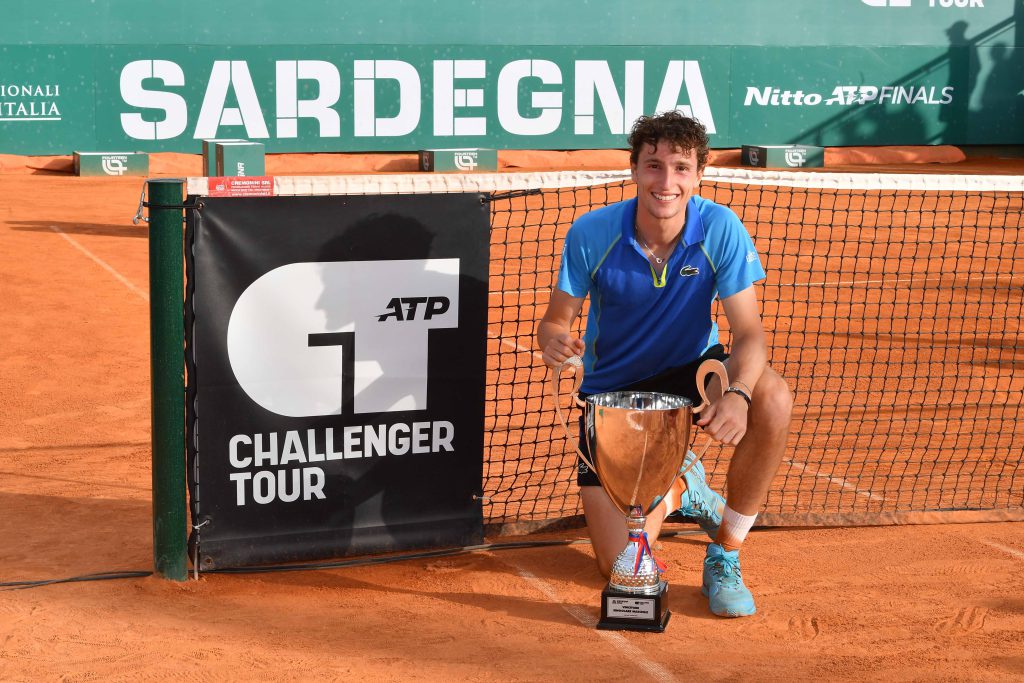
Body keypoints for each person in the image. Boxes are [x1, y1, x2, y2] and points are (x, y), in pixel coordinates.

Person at [536, 111, 792, 618]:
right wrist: (555, 340)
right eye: (654, 166)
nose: (666, 181)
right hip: (616, 394)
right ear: (634, 170)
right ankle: (682, 487)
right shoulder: (592, 232)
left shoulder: (720, 227)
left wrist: (738, 395)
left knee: (773, 398)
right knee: (618, 568)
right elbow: (554, 322)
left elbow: (749, 333)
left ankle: (726, 551)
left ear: (699, 173)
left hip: (694, 371)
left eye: (680, 167)